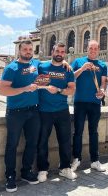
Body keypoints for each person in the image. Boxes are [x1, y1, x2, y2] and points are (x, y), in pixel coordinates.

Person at [0, 40, 40, 193]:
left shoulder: (35, 64)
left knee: (32, 143)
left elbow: (52, 65)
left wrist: (66, 64)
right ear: (19, 50)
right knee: (12, 145)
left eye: (30, 49)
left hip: (34, 111)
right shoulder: (11, 68)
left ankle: (26, 172)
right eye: (25, 49)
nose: (28, 51)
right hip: (16, 112)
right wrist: (25, 89)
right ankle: (10, 176)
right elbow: (3, 90)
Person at [37, 42, 77, 182]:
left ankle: (65, 168)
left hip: (62, 110)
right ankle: (42, 169)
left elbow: (72, 89)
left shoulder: (68, 70)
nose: (59, 54)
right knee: (42, 141)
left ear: (64, 53)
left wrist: (59, 90)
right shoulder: (41, 66)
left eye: (62, 52)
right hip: (44, 110)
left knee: (65, 140)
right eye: (57, 51)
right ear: (52, 51)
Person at [71, 40, 107, 172]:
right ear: (87, 49)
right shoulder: (78, 61)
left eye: (95, 48)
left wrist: (102, 91)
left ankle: (95, 160)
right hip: (80, 101)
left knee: (94, 132)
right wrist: (82, 68)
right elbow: (70, 77)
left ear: (98, 50)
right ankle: (76, 159)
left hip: (95, 102)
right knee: (78, 132)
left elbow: (103, 83)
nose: (93, 51)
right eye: (91, 48)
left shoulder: (102, 65)